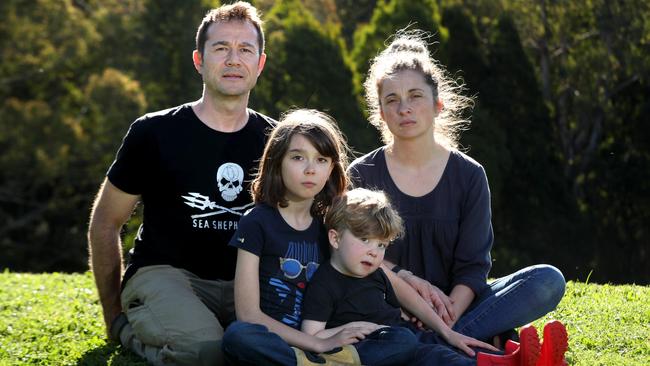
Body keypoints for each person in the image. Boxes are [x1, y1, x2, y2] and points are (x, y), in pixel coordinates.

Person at [348, 29, 567, 349]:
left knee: (547, 281)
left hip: (458, 308)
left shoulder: (470, 175)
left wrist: (447, 317)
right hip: (387, 311)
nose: (404, 108)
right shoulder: (362, 174)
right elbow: (354, 256)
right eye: (392, 100)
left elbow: (473, 268)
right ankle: (470, 345)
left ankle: (438, 343)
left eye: (415, 96)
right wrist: (411, 287)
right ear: (380, 113)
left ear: (437, 104)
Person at [87, 2, 273, 365]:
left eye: (245, 50)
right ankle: (130, 331)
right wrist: (113, 317)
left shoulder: (277, 140)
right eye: (221, 48)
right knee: (206, 351)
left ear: (259, 64)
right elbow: (105, 223)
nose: (233, 59)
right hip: (166, 274)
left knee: (269, 350)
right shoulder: (153, 133)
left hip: (245, 282)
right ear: (199, 61)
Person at [222, 109, 391, 365]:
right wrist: (318, 344)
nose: (311, 169)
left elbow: (374, 267)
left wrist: (417, 291)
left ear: (332, 168)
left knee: (400, 339)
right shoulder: (256, 222)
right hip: (279, 341)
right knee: (238, 336)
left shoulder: (329, 227)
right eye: (298, 157)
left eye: (322, 160)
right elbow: (248, 315)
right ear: (277, 161)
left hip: (329, 334)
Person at [302, 188, 507, 366]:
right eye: (365, 240)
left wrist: (444, 331)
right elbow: (311, 335)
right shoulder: (324, 283)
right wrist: (347, 329)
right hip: (376, 348)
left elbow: (399, 309)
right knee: (427, 352)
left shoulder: (376, 272)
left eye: (381, 244)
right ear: (335, 238)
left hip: (404, 337)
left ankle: (506, 358)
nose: (374, 252)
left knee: (444, 347)